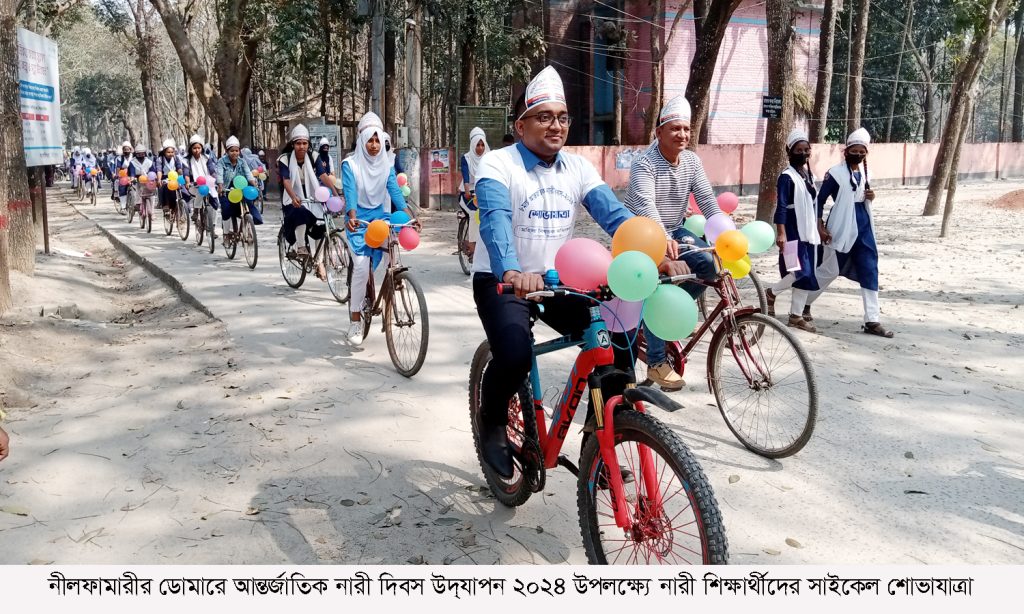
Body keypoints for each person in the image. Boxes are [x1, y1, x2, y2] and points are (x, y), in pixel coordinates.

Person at [473, 66, 688, 478]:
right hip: (505, 281)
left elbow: (615, 216)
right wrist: (513, 270)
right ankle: (493, 422)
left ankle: (599, 444)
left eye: (562, 117)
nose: (556, 125)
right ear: (521, 126)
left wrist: (651, 254)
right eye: (544, 117)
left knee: (614, 348)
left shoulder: (578, 168)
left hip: (562, 280)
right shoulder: (498, 165)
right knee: (514, 355)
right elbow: (495, 221)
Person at [623, 95, 722, 391]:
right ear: (659, 133)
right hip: (638, 232)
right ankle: (656, 362)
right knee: (661, 281)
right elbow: (646, 205)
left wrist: (722, 232)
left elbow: (706, 198)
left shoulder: (691, 161)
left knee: (709, 266)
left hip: (674, 229)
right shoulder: (645, 164)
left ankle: (662, 318)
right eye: (675, 129)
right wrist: (663, 240)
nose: (682, 135)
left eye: (687, 130)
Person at [806, 127, 893, 338]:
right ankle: (803, 303)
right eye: (854, 150)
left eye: (862, 151)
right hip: (840, 227)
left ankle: (872, 320)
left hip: (863, 226)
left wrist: (871, 197)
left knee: (870, 268)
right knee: (829, 270)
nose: (858, 154)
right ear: (846, 151)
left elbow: (862, 197)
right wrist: (820, 225)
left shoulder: (866, 173)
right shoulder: (834, 174)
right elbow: (820, 200)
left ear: (866, 153)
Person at [342, 112, 418, 345]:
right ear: (362, 140)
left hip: (380, 215)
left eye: (378, 140)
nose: (374, 145)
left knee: (392, 253)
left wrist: (410, 216)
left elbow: (395, 191)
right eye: (370, 140)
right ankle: (355, 319)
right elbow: (350, 192)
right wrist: (352, 215)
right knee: (362, 268)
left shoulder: (386, 164)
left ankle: (388, 298)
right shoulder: (350, 165)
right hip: (359, 220)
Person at [765, 129, 826, 332]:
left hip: (809, 232)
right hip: (791, 230)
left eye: (806, 149)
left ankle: (796, 315)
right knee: (798, 271)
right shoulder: (786, 177)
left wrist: (819, 226)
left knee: (807, 275)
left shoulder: (809, 176)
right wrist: (781, 232)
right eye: (798, 150)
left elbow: (814, 205)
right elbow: (781, 207)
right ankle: (770, 293)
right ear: (789, 151)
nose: (803, 153)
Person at [278, 124, 323, 259]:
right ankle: (301, 246)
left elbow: (323, 176)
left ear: (308, 144)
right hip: (291, 194)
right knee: (300, 212)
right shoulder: (284, 159)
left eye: (305, 143)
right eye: (298, 143)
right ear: (293, 144)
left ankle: (319, 261)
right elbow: (286, 180)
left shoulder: (314, 156)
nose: (302, 146)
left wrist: (337, 194)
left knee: (322, 222)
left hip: (312, 193)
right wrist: (293, 197)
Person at [216, 136, 262, 239]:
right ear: (227, 151)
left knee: (248, 203)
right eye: (232, 151)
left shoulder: (242, 162)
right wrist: (220, 186)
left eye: (236, 151)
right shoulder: (221, 162)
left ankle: (247, 223)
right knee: (226, 210)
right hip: (226, 189)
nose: (234, 153)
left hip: (240, 189)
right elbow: (219, 174)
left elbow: (248, 174)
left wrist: (254, 184)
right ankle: (226, 234)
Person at [458, 127, 490, 259]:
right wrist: (466, 191)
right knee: (474, 214)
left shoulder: (489, 158)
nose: (480, 148)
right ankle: (472, 246)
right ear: (472, 144)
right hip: (468, 194)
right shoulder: (466, 158)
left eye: (483, 144)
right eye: (478, 144)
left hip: (484, 192)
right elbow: (466, 177)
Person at [187, 134, 218, 232]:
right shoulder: (187, 160)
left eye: (199, 148)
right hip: (194, 185)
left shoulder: (206, 158)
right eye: (194, 148)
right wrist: (188, 182)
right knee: (200, 191)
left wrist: (216, 178)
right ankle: (196, 211)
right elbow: (186, 173)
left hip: (208, 184)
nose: (197, 150)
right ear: (191, 149)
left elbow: (212, 170)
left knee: (215, 205)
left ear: (202, 148)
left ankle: (212, 227)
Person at [155, 139, 187, 214]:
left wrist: (181, 176)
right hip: (165, 177)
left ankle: (184, 203)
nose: (170, 154)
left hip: (175, 176)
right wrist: (159, 179)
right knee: (165, 187)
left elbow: (179, 168)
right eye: (168, 152)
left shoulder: (176, 158)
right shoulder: (160, 159)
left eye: (172, 152)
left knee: (182, 187)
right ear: (164, 152)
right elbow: (159, 170)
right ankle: (165, 204)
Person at [113, 142, 134, 210]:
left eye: (127, 149)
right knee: (121, 187)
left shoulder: (134, 157)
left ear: (130, 150)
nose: (126, 151)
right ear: (123, 150)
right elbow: (118, 168)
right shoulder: (119, 158)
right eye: (125, 150)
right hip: (123, 176)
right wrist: (118, 175)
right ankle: (123, 205)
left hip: (133, 175)